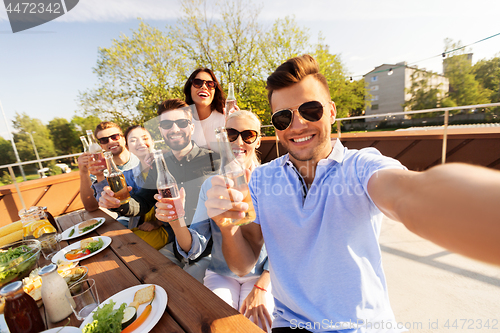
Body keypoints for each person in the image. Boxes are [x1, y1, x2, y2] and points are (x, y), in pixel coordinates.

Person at [204, 55, 500, 333]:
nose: (298, 125)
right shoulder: (263, 178)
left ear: (331, 111)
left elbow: (409, 194)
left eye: (310, 110)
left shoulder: (361, 166)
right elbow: (243, 264)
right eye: (283, 117)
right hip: (292, 325)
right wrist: (227, 229)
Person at [157, 110, 274, 331]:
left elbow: (287, 245)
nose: (239, 141)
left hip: (263, 275)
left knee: (258, 326)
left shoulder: (273, 181)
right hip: (222, 273)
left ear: (258, 140)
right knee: (217, 326)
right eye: (231, 134)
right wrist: (177, 220)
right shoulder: (211, 185)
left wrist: (261, 287)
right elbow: (196, 244)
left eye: (248, 134)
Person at [99, 98, 220, 283]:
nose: (174, 129)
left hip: (210, 249)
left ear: (192, 127)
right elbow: (142, 202)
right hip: (176, 247)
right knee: (135, 276)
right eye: (166, 124)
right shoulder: (161, 164)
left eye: (181, 123)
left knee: (184, 289)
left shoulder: (214, 161)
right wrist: (117, 202)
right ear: (161, 130)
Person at [94, 125, 169, 250]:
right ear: (127, 147)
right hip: (141, 225)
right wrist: (99, 176)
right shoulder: (129, 175)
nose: (140, 143)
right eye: (134, 140)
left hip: (169, 227)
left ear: (152, 141)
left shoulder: (167, 164)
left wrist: (158, 222)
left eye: (144, 138)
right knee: (116, 242)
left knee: (127, 246)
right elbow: (115, 196)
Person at [78, 121, 140, 212]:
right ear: (101, 146)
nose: (110, 141)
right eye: (104, 140)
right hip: (126, 217)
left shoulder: (141, 159)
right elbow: (91, 207)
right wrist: (83, 172)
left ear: (123, 139)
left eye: (115, 137)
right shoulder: (99, 170)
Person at [184, 68, 226, 152]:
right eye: (197, 83)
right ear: (189, 88)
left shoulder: (226, 118)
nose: (204, 87)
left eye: (210, 84)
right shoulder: (182, 123)